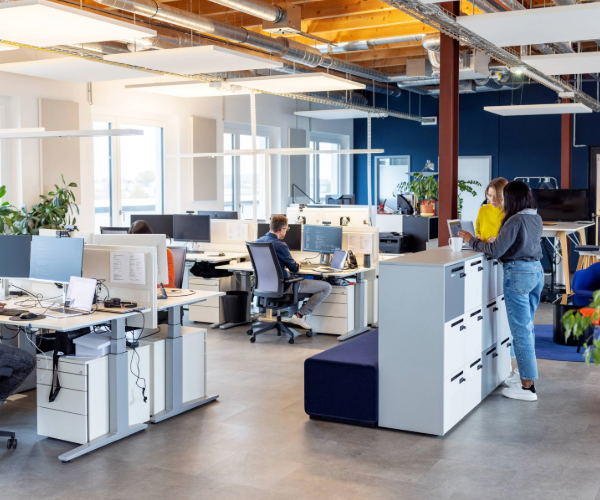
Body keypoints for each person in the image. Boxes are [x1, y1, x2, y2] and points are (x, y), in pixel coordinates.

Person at [459, 180, 543, 402]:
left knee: (520, 331)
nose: (500, 201)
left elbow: (495, 251)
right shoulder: (534, 216)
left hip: (518, 274)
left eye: (504, 197)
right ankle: (524, 376)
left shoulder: (515, 219)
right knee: (527, 328)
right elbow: (520, 244)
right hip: (536, 272)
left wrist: (471, 240)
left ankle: (527, 387)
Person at [256, 215, 332, 330]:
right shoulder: (280, 245)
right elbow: (294, 269)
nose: (286, 231)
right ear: (281, 229)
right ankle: (300, 315)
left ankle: (293, 317)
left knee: (293, 278)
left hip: (264, 286)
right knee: (326, 287)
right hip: (284, 287)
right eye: (286, 229)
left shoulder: (257, 242)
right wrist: (297, 264)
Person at [128, 220, 176, 288]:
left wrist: (144, 285)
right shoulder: (129, 255)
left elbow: (169, 283)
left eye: (140, 239)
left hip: (163, 292)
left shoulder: (165, 253)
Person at [476, 177, 508, 243]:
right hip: (483, 247)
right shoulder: (483, 210)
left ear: (505, 195)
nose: (492, 200)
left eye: (496, 196)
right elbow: (477, 231)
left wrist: (498, 240)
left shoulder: (511, 212)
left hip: (499, 248)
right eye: (490, 196)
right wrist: (478, 237)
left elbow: (512, 238)